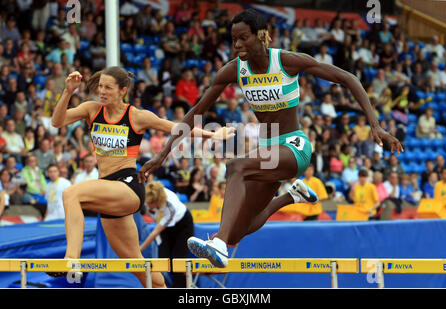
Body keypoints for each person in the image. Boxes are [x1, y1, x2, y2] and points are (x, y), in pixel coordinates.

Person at [138, 9, 403, 268]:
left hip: (293, 145)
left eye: (244, 38)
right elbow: (196, 112)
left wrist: (375, 125)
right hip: (268, 151)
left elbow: (348, 78)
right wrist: (162, 155)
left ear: (261, 35)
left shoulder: (286, 61)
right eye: (234, 40)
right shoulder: (233, 71)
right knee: (239, 229)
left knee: (234, 166)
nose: (238, 45)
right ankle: (290, 196)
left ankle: (218, 241)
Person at [48, 68, 234, 286]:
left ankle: (71, 259)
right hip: (108, 192)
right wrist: (68, 92)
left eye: (108, 87)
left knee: (71, 193)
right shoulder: (91, 109)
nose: (102, 91)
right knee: (138, 266)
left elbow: (177, 128)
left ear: (122, 91)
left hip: (127, 186)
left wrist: (213, 134)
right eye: (100, 86)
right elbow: (57, 121)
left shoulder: (136, 116)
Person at [139, 181, 194, 288]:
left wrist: (140, 249)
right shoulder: (148, 197)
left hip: (182, 225)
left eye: (151, 204)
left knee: (178, 261)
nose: (148, 206)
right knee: (162, 259)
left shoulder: (170, 206)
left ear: (158, 201)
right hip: (165, 225)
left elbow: (155, 233)